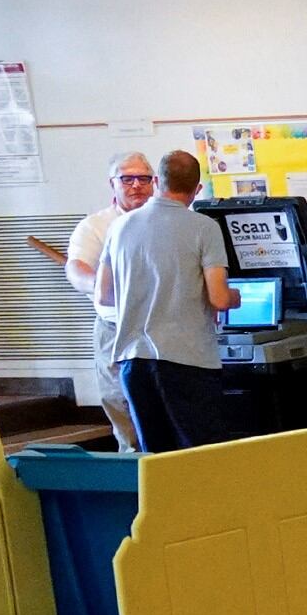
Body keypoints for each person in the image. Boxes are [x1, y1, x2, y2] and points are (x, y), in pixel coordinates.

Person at [104, 150, 238, 453]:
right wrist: (235, 297)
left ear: (155, 181)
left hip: (133, 360)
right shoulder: (203, 227)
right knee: (202, 455)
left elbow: (104, 294)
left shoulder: (119, 227)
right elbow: (218, 297)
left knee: (156, 456)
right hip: (187, 361)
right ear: (197, 189)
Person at [38, 151, 154, 446]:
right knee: (119, 401)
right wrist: (105, 288)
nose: (136, 185)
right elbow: (76, 270)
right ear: (112, 183)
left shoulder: (168, 221)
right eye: (127, 178)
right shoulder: (95, 226)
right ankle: (133, 469)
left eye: (143, 178)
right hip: (115, 328)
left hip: (163, 326)